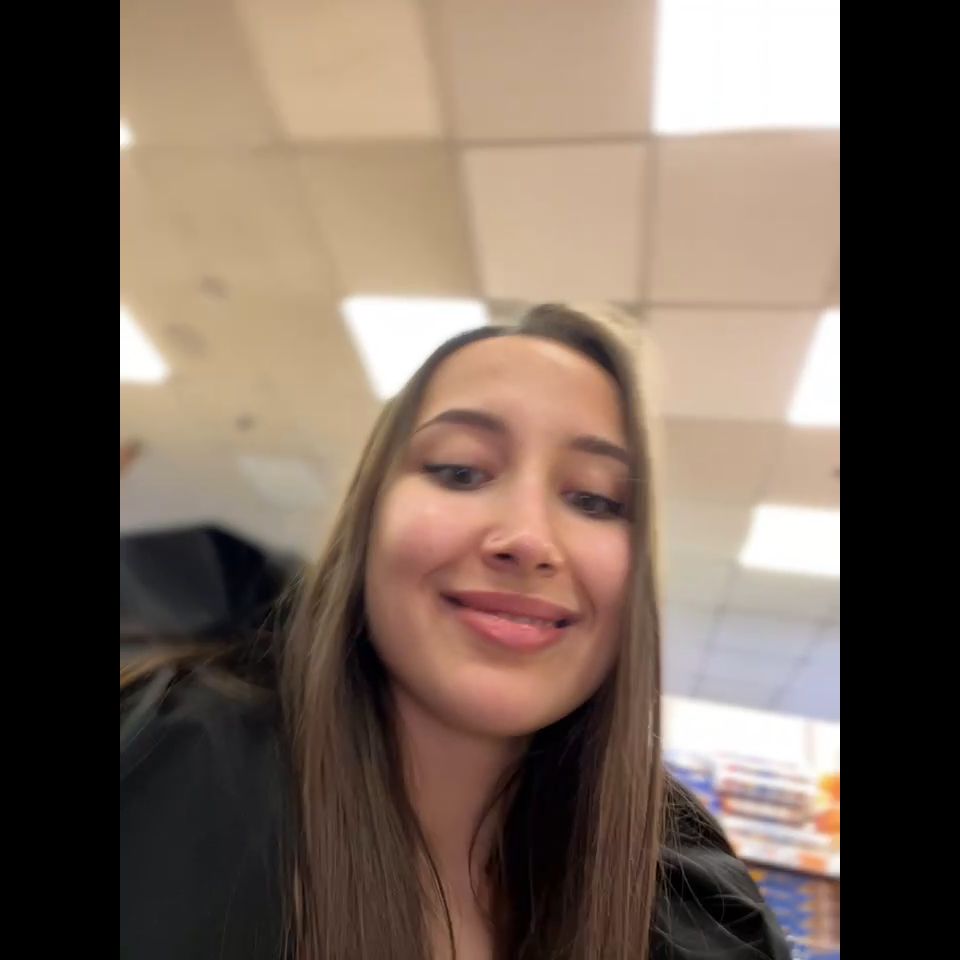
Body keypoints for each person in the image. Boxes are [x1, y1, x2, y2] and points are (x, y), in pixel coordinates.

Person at [120, 304, 791, 960]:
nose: (528, 539)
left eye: (594, 499)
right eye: (460, 471)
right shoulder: (152, 766)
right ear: (367, 521)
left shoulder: (704, 918)